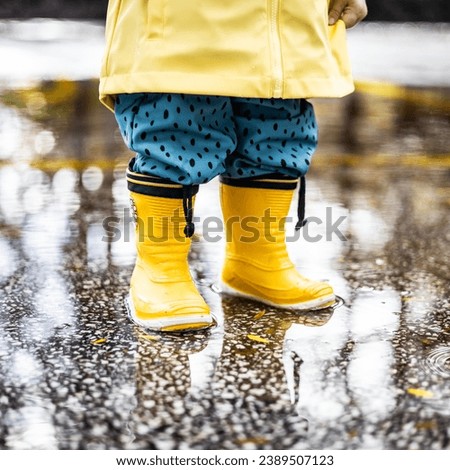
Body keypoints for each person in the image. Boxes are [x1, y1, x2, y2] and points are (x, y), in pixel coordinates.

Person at [99, 0, 368, 332]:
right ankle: (161, 269)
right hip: (183, 16)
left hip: (290, 16)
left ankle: (255, 262)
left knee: (276, 127)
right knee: (175, 124)